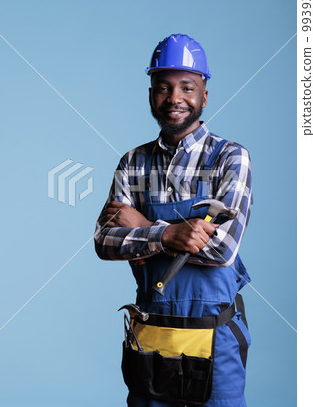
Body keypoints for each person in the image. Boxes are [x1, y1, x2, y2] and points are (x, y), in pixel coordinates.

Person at [94, 34, 253, 407]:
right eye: (163, 88)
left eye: (187, 87)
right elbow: (104, 241)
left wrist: (141, 227)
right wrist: (171, 235)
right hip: (151, 340)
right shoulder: (132, 163)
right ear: (151, 94)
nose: (174, 98)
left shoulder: (231, 158)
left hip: (214, 339)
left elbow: (220, 249)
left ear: (204, 95)